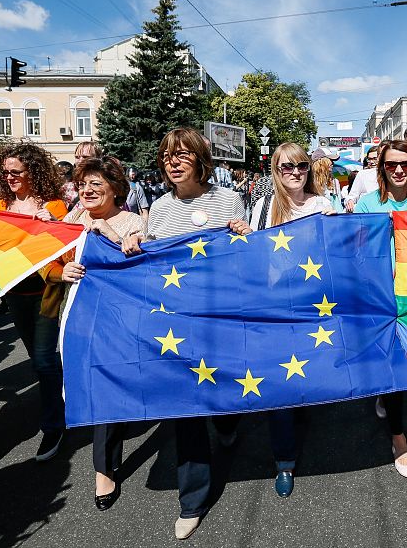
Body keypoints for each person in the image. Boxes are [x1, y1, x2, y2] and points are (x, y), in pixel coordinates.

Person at [121, 126, 245, 540]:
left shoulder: (228, 200)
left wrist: (244, 236)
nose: (172, 163)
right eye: (166, 156)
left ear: (200, 159)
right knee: (185, 408)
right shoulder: (158, 208)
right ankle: (192, 500)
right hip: (175, 322)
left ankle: (226, 421)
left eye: (182, 155)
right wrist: (136, 241)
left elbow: (244, 258)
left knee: (221, 390)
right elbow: (151, 260)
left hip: (218, 317)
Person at [233, 143, 332, 498]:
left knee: (307, 370)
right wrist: (244, 236)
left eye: (301, 165)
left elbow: (334, 252)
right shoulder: (263, 206)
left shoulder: (321, 206)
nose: (295, 172)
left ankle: (302, 410)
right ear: (276, 170)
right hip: (273, 305)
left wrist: (337, 227)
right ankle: (284, 460)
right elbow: (251, 256)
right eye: (286, 166)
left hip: (312, 304)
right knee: (280, 380)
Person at [52, 156, 145, 511]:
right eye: (82, 185)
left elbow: (139, 264)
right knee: (94, 384)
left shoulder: (134, 222)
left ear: (115, 189)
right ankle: (106, 459)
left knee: (109, 385)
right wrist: (60, 271)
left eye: (96, 184)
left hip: (119, 320)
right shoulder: (70, 220)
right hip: (80, 319)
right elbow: (51, 261)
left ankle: (104, 467)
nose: (87, 191)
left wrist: (109, 234)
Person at [0, 142, 69, 462]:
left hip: (46, 295)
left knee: (43, 360)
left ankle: (54, 425)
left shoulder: (54, 206)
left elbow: (67, 248)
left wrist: (52, 223)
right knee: (39, 360)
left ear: (33, 172)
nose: (9, 177)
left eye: (16, 172)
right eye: (5, 172)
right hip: (14, 294)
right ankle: (61, 394)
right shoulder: (2, 204)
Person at [356, 139, 407, 479]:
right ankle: (399, 439)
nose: (399, 170)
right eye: (391, 165)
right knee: (393, 366)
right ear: (382, 169)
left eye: (406, 164)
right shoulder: (367, 204)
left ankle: (386, 395)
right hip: (380, 298)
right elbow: (356, 250)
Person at [344, 145, 380, 212]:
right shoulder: (362, 174)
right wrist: (350, 201)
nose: (372, 162)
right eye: (369, 159)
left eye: (375, 159)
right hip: (367, 213)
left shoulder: (390, 173)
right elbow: (352, 195)